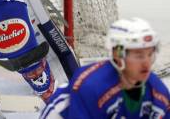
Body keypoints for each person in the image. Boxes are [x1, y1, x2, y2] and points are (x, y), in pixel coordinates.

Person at [40, 17, 170, 118]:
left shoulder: (158, 91)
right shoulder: (92, 86)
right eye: (139, 56)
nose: (146, 63)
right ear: (117, 55)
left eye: (149, 54)